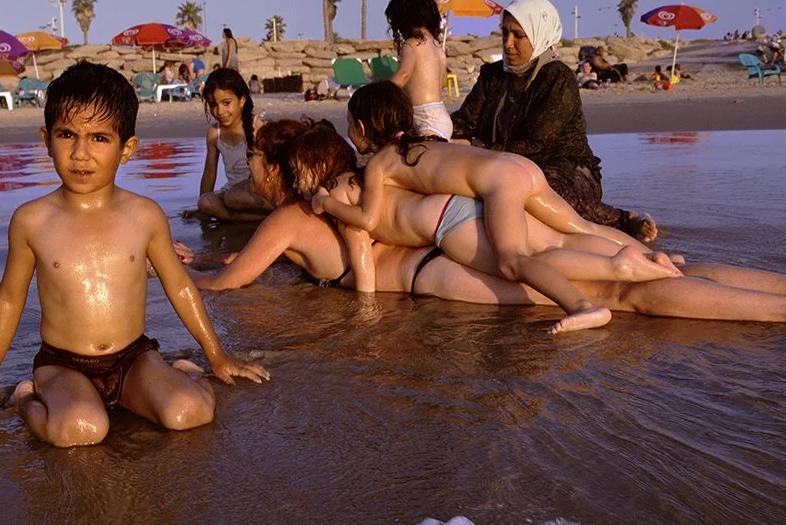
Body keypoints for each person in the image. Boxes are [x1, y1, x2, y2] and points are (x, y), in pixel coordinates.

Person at [0, 63, 268, 447]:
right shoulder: (31, 220)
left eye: (99, 138)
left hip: (133, 359)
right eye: (67, 135)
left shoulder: (145, 215)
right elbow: (10, 298)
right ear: (47, 140)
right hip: (64, 365)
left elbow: (180, 286)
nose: (80, 153)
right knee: (81, 430)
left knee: (189, 413)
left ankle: (185, 374)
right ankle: (27, 399)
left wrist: (217, 355)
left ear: (126, 148)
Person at [178, 119, 786, 324]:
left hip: (438, 267)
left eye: (254, 156)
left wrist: (174, 280)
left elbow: (236, 283)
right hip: (467, 224)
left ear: (282, 167)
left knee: (624, 294)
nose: (248, 163)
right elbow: (255, 260)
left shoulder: (288, 215)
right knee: (633, 268)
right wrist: (207, 259)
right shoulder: (347, 184)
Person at [310, 83, 674, 333]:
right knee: (583, 228)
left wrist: (326, 201)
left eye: (349, 127)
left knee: (512, 260)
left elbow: (368, 218)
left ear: (360, 127)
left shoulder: (381, 163)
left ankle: (583, 306)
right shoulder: (425, 141)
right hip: (518, 167)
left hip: (501, 184)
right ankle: (656, 259)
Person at [450, 0, 657, 242]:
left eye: (518, 36)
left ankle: (623, 220)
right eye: (504, 33)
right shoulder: (492, 76)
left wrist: (474, 147)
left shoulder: (557, 78)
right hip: (502, 163)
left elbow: (538, 146)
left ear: (539, 35)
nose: (508, 43)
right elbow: (464, 121)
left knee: (538, 190)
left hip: (564, 169)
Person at [195, 68, 274, 222]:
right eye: (213, 104)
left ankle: (263, 215)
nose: (220, 111)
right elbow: (210, 173)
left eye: (226, 103)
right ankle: (252, 219)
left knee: (233, 197)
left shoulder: (257, 126)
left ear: (242, 101)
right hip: (232, 192)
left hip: (259, 191)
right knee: (206, 202)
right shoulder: (214, 133)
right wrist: (200, 206)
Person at [384, 0, 453, 139]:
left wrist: (383, 92)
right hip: (441, 117)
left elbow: (403, 74)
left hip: (426, 119)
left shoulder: (411, 44)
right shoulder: (437, 48)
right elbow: (442, 83)